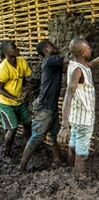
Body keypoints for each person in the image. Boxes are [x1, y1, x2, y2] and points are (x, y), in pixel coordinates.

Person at [58, 38, 99, 174]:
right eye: (89, 49)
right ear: (83, 53)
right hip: (84, 119)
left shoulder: (75, 65)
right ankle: (79, 179)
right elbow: (68, 95)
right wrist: (64, 125)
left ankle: (70, 170)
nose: (91, 50)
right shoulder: (77, 71)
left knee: (73, 145)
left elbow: (90, 64)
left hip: (76, 116)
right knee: (82, 153)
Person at [18, 41, 70, 171]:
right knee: (37, 137)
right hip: (45, 107)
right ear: (46, 50)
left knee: (54, 134)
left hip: (49, 106)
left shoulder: (51, 63)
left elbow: (65, 66)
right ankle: (22, 166)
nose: (56, 46)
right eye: (52, 45)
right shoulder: (50, 60)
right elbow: (69, 58)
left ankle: (57, 160)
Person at [0, 40, 32, 157]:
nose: (17, 49)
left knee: (28, 123)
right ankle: (6, 152)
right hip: (6, 103)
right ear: (6, 52)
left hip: (20, 102)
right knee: (12, 129)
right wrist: (14, 97)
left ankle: (28, 148)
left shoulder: (22, 62)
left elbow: (26, 79)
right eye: (14, 47)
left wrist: (26, 91)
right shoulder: (3, 68)